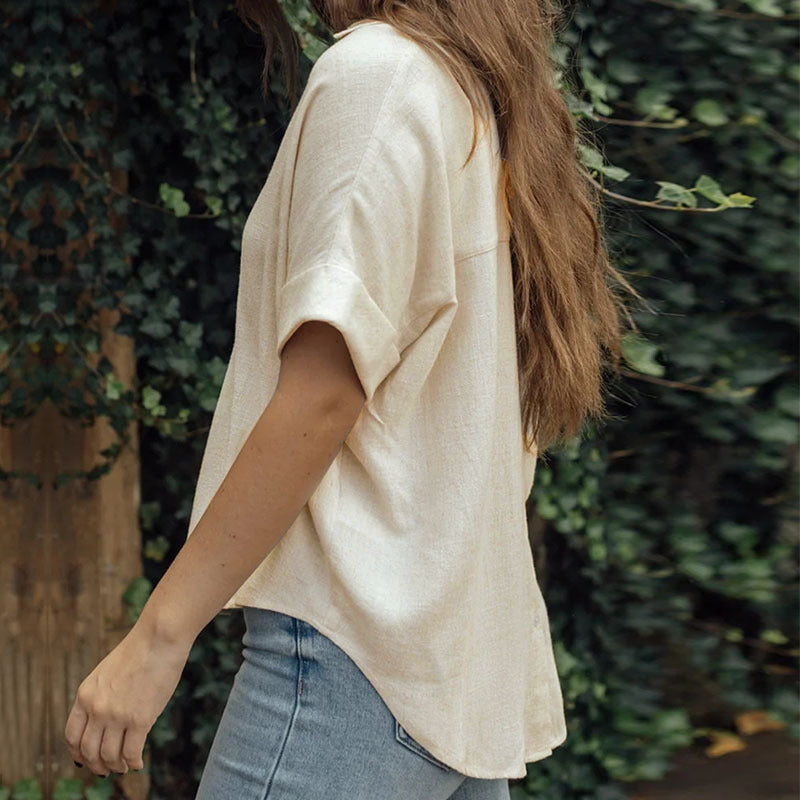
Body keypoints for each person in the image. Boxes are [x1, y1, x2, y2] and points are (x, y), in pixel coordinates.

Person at [64, 2, 638, 798]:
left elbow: (324, 395)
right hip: (442, 667)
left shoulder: (381, 77)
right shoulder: (472, 89)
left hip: (349, 658)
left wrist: (157, 639)